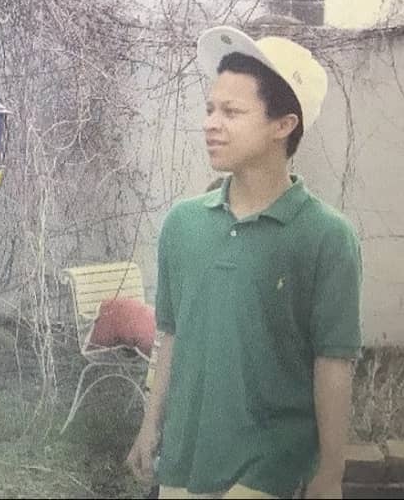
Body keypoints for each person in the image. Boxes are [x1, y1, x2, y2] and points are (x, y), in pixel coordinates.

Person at [127, 26, 362, 499]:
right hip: (183, 464)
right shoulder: (182, 224)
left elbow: (332, 362)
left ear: (283, 125)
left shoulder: (326, 238)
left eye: (232, 112)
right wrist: (150, 426)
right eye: (210, 109)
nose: (211, 123)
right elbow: (170, 334)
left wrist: (330, 474)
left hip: (269, 472)